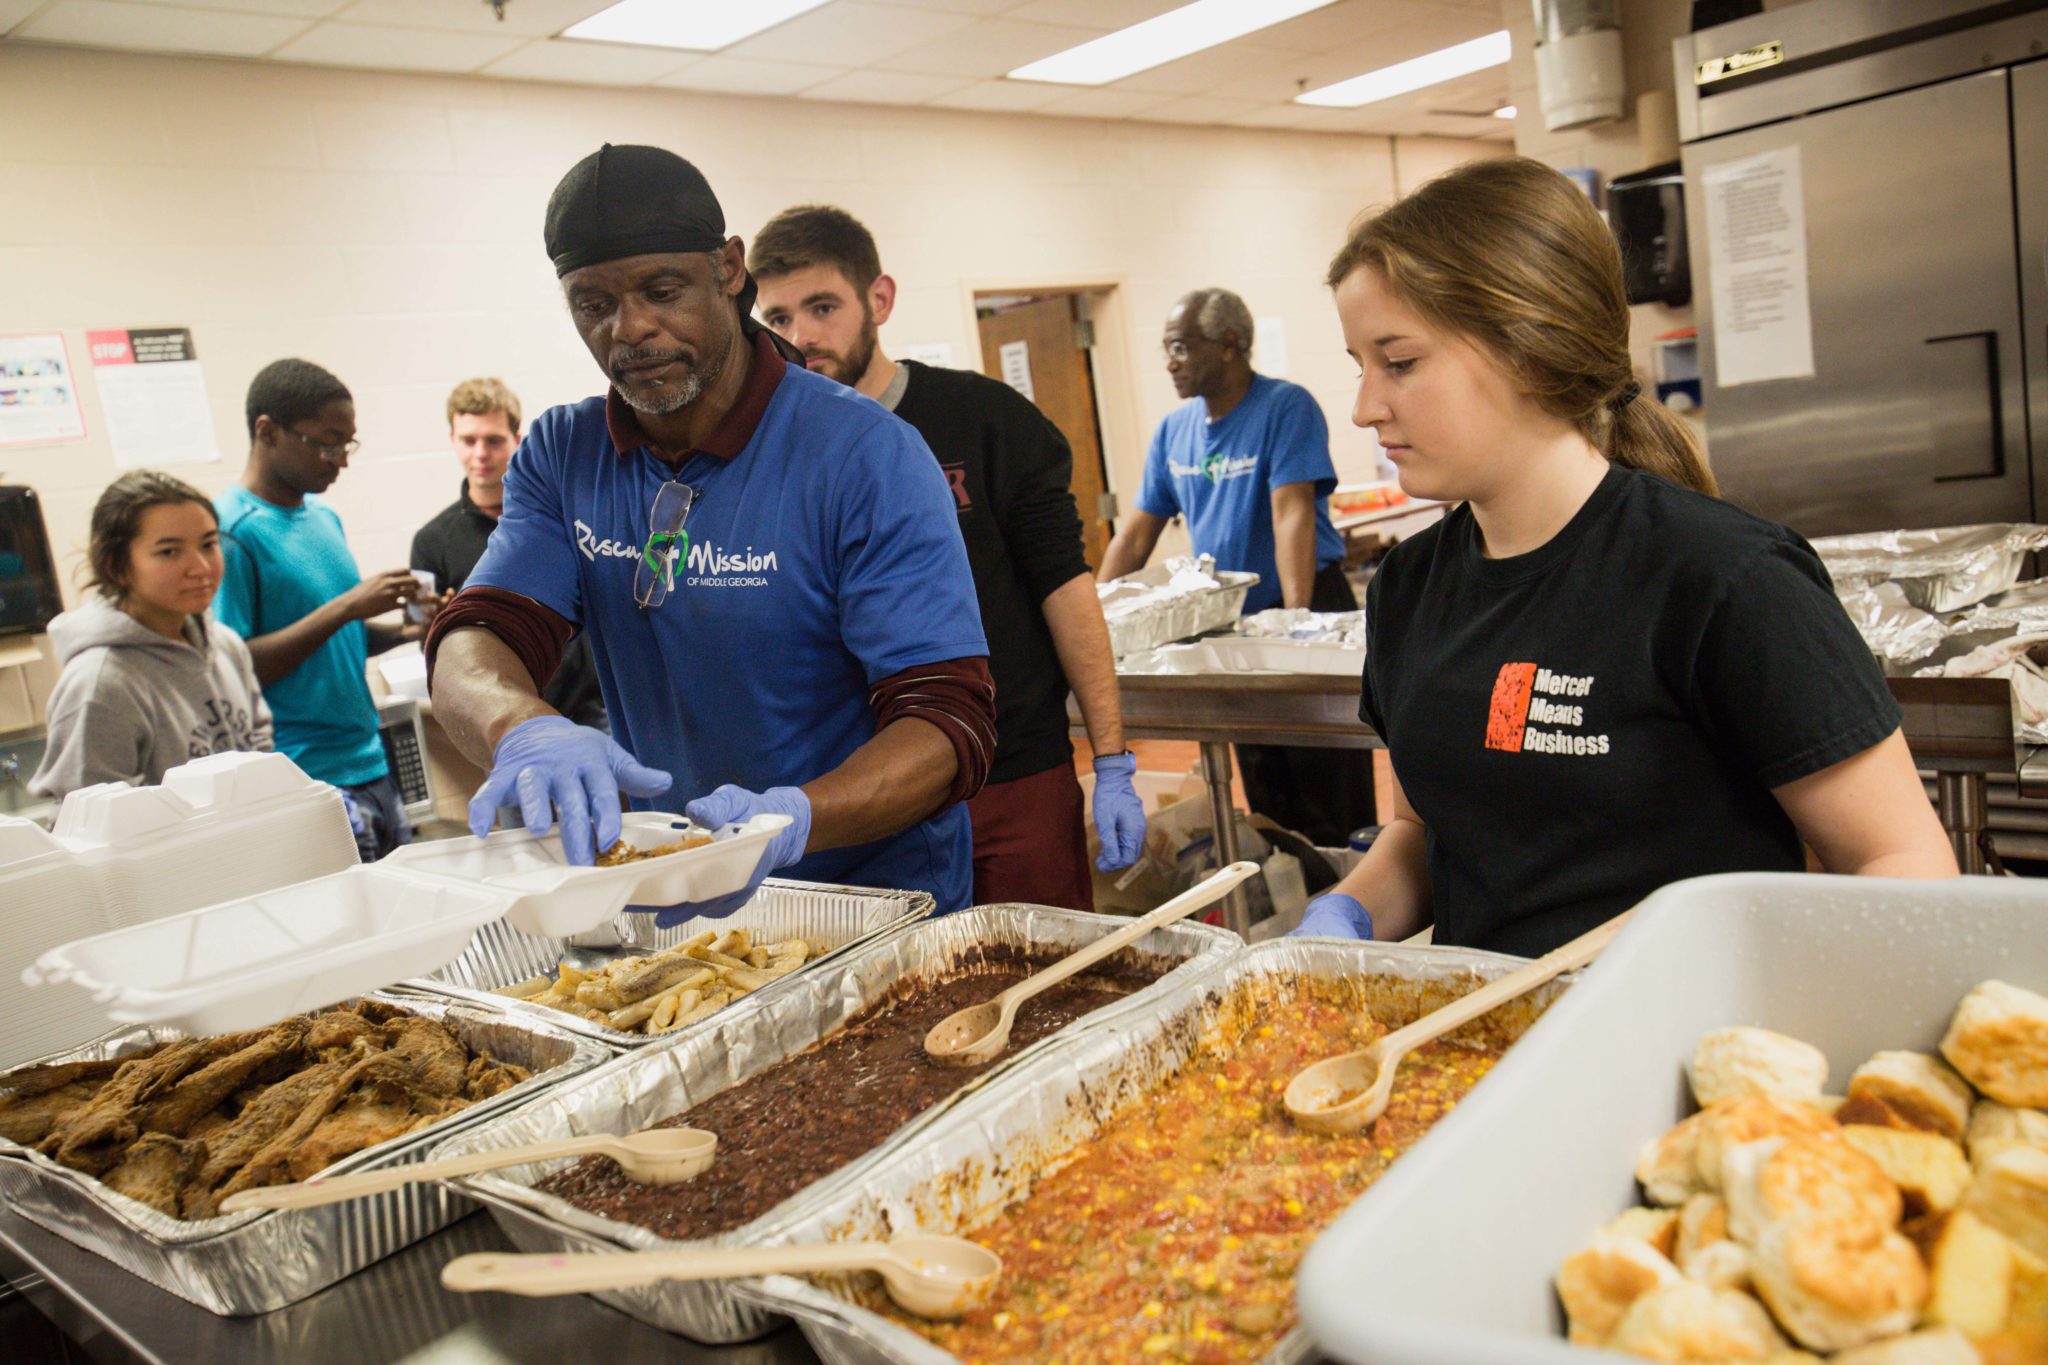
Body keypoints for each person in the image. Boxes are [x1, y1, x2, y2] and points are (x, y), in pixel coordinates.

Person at [1292, 156, 1956, 956]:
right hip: (1478, 1048)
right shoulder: (1407, 585)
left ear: (1529, 348)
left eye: (1399, 362)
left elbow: (1905, 861)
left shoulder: (1724, 579)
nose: (1365, 407)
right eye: (1359, 366)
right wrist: (1345, 913)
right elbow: (1421, 831)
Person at [425, 144, 997, 917]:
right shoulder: (566, 455)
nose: (630, 330)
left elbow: (946, 721)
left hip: (866, 903)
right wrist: (523, 725)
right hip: (673, 897)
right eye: (592, 305)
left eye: (662, 291)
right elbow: (478, 635)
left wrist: (791, 819)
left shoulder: (862, 453)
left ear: (729, 270)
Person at [749, 204, 1144, 910]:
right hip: (869, 798)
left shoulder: (990, 423)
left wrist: (1110, 758)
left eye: (822, 306)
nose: (802, 336)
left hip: (1013, 775)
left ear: (879, 299)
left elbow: (1066, 592)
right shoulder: (772, 455)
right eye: (777, 318)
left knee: (1048, 997)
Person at [1096, 287, 1373, 849]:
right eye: (1165, 350)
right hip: (1233, 622)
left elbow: (1291, 513)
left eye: (1179, 347)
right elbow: (1135, 534)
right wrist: (1090, 616)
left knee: (1329, 788)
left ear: (1229, 345)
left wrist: (1296, 626)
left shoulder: (1284, 407)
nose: (1169, 362)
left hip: (1306, 607)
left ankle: (1356, 898)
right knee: (1269, 796)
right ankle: (1295, 897)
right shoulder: (1175, 432)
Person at [214, 358, 424, 862]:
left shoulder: (322, 517)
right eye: (326, 442)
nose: (340, 460)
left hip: (369, 762)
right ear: (267, 431)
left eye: (346, 444)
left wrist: (406, 630)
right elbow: (235, 667)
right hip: (305, 776)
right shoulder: (231, 533)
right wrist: (347, 606)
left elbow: (336, 639)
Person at [30, 471, 272, 799]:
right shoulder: (101, 683)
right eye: (169, 552)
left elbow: (261, 755)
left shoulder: (226, 646)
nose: (200, 566)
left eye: (208, 544)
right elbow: (90, 827)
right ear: (117, 567)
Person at [411, 377, 606, 730]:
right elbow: (431, 648)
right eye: (469, 440)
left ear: (516, 441)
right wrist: (430, 625)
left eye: (493, 440)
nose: (480, 453)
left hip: (591, 710)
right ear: (453, 441)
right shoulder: (432, 540)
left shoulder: (560, 519)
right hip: (508, 719)